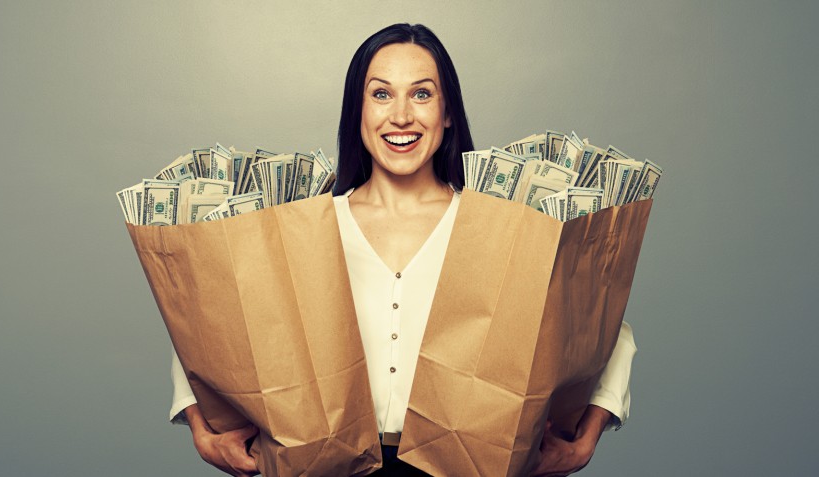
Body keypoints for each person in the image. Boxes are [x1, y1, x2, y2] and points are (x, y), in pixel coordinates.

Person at [169, 23, 637, 477]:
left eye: (421, 93)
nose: (401, 116)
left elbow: (595, 321)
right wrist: (199, 426)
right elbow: (215, 324)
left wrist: (586, 438)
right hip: (325, 467)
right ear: (358, 111)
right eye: (380, 94)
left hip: (466, 466)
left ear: (447, 111)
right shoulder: (308, 226)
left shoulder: (497, 225)